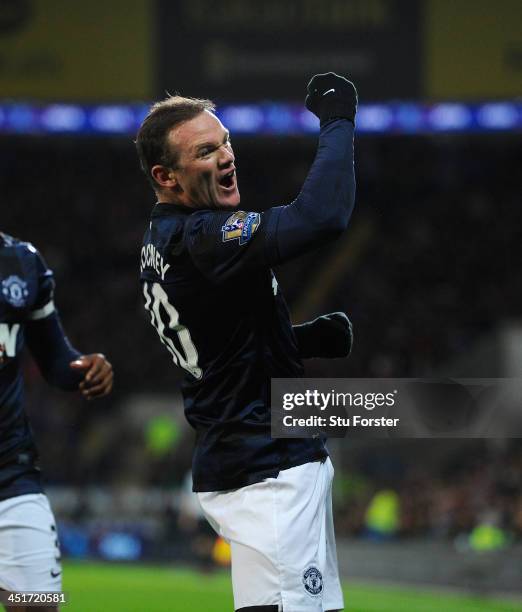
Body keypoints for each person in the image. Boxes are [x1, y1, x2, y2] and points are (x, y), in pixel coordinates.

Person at [136, 72, 357, 611]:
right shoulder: (203, 238)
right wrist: (338, 119)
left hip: (250, 450)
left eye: (226, 140)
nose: (227, 155)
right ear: (166, 176)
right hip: (268, 463)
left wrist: (297, 340)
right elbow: (321, 217)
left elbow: (215, 346)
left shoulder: (160, 242)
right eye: (207, 151)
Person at [0, 232, 113, 611]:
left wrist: (85, 368)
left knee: (39, 604)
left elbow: (55, 359)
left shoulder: (21, 262)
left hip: (11, 476)